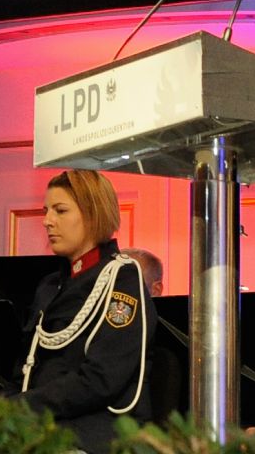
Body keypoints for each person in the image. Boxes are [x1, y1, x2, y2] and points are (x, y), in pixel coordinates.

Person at [20, 169, 153, 452]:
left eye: (60, 210)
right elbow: (27, 370)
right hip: (45, 423)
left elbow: (101, 380)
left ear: (93, 214)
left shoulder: (122, 279)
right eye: (46, 211)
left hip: (95, 433)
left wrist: (17, 407)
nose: (47, 221)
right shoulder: (51, 285)